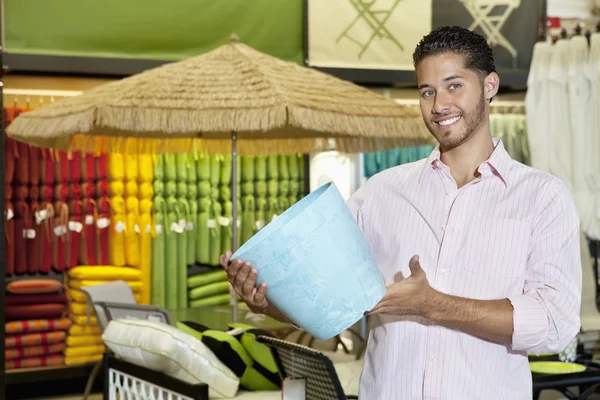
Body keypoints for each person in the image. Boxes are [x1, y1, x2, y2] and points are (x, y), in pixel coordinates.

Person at [220, 26, 582, 399]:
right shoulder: (380, 193)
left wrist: (434, 305)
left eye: (454, 85)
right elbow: (330, 304)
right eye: (427, 91)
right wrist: (267, 302)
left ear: (489, 86)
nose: (439, 104)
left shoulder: (542, 197)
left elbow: (556, 323)